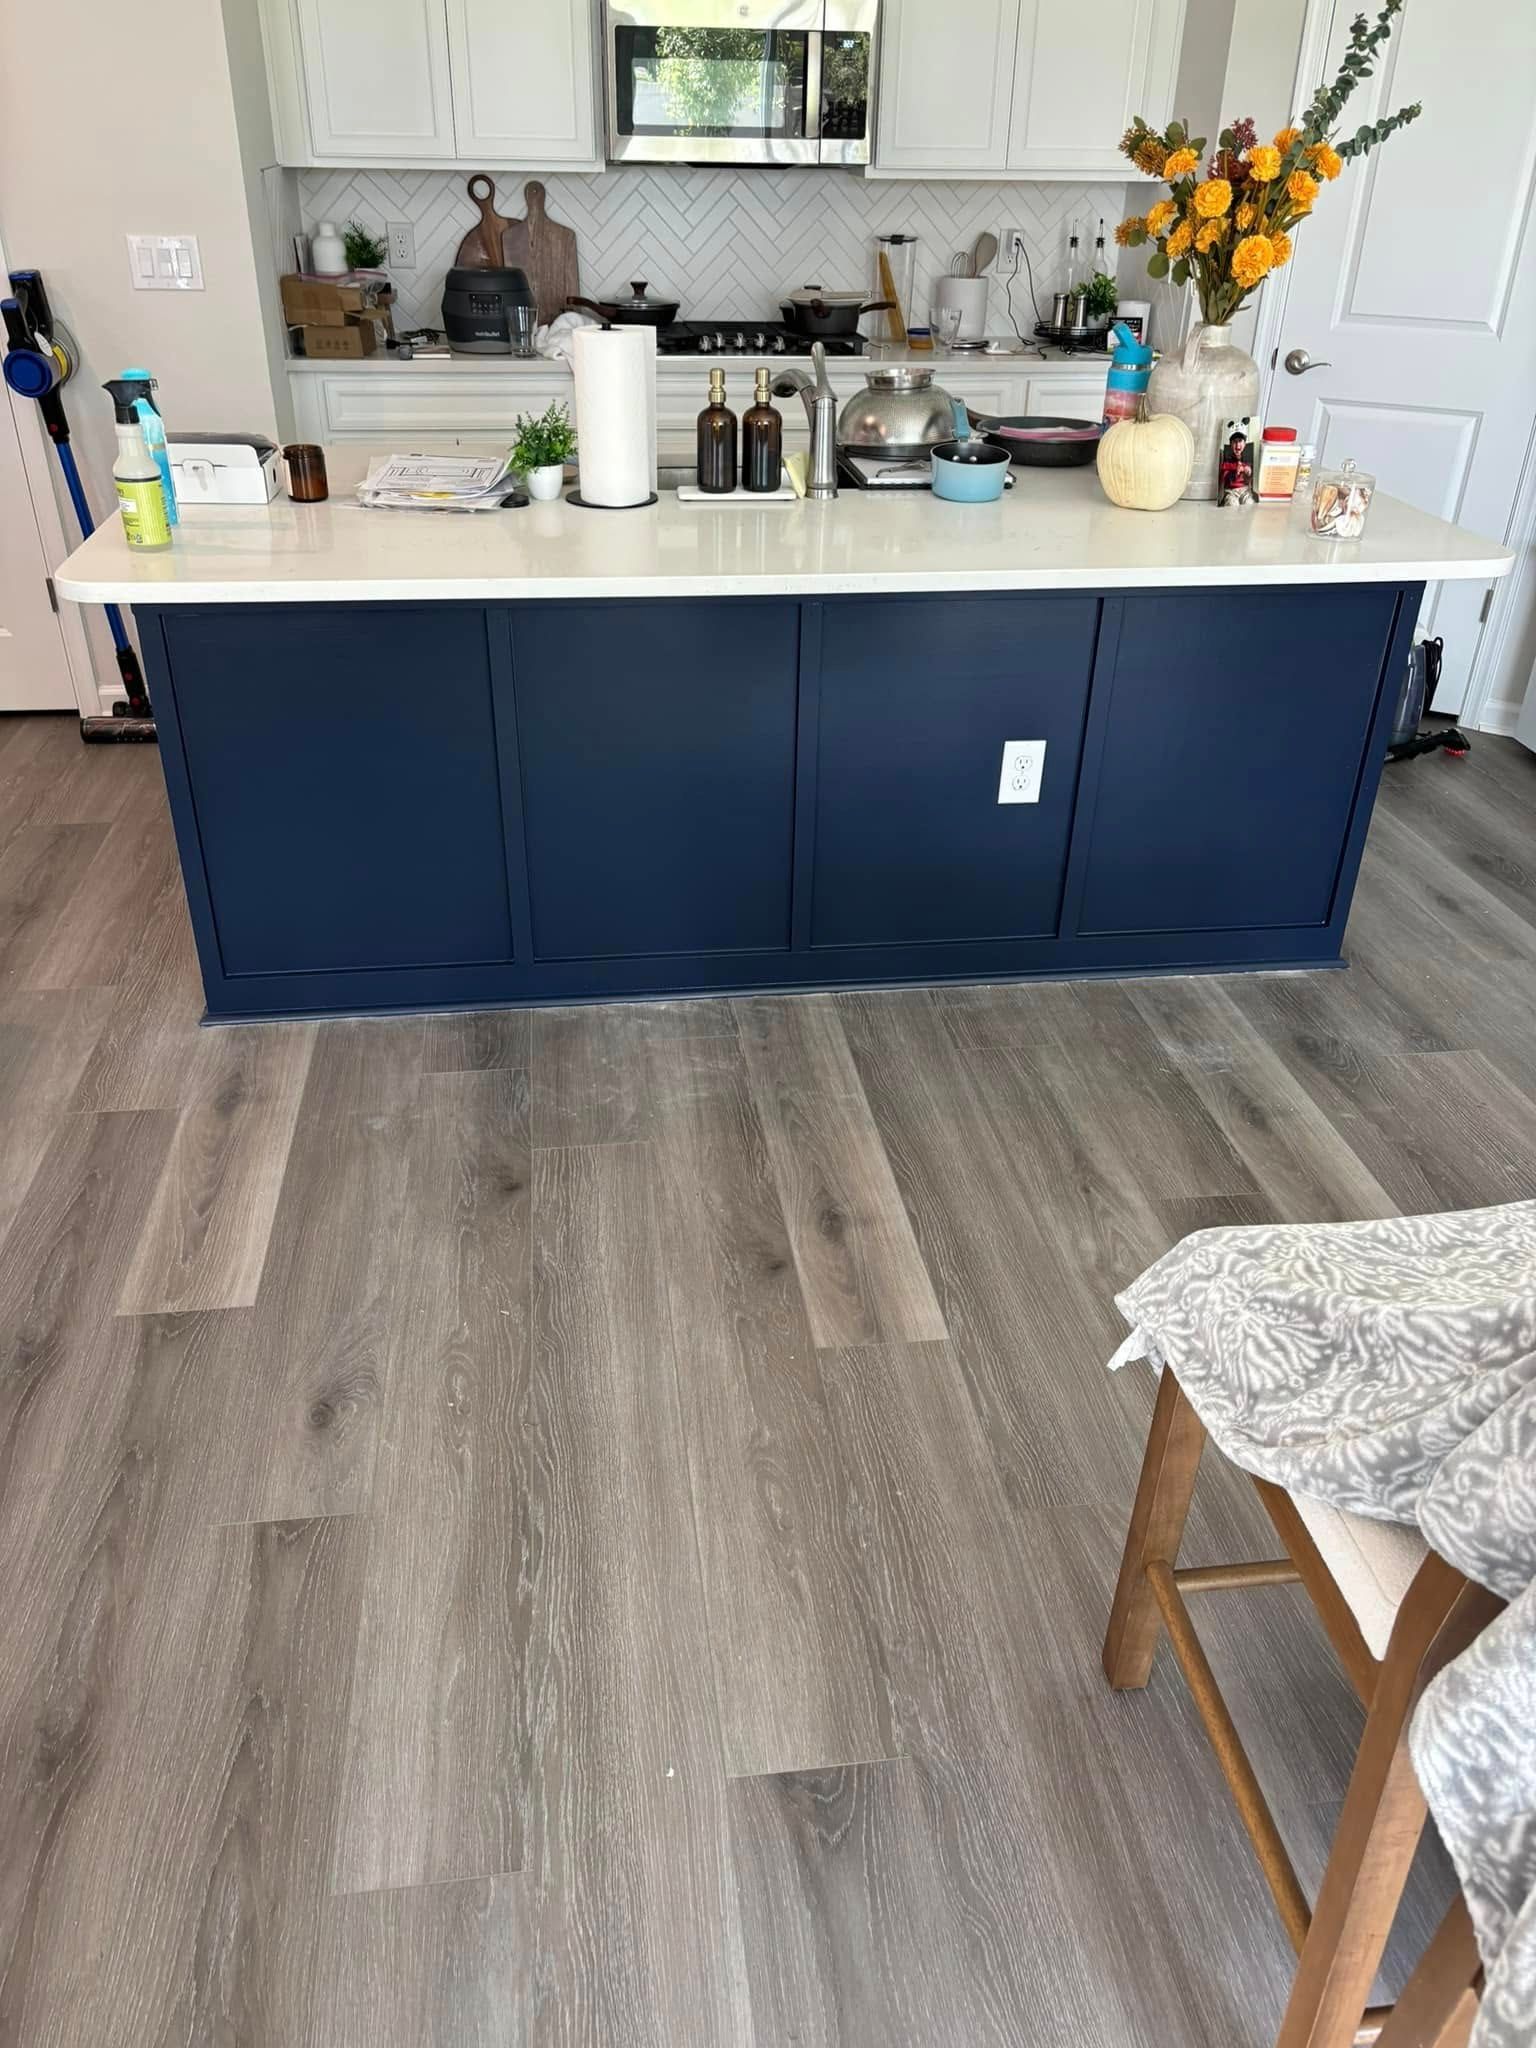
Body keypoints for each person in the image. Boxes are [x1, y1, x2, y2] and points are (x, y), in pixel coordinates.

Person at [1218, 427, 1254, 506]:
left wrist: (1249, 472)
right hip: (1231, 491)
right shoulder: (1227, 460)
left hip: (1245, 490)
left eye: (1240, 441)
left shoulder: (1248, 461)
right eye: (1234, 442)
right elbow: (1224, 478)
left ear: (1244, 444)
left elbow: (1251, 479)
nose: (1238, 445)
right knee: (1232, 503)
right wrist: (1235, 472)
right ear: (1231, 444)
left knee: (1249, 503)